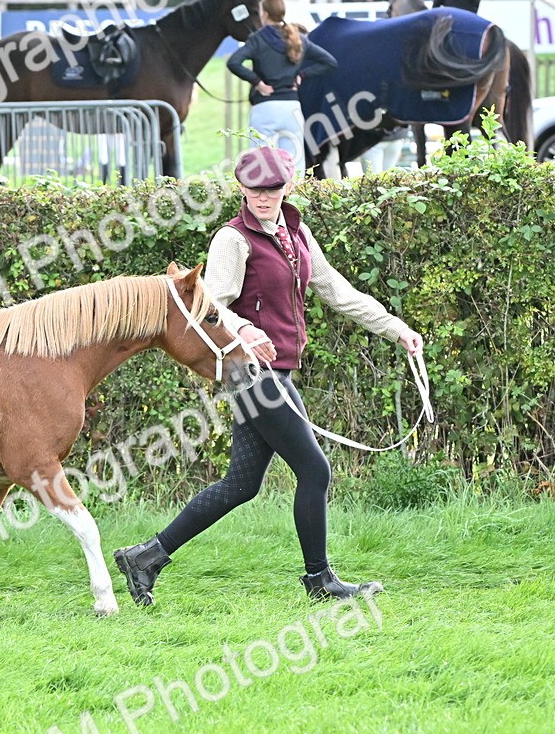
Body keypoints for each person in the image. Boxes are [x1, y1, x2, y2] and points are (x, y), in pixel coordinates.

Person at [113, 146, 424, 605]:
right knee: (315, 470)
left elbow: (337, 290)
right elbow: (212, 305)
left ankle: (146, 557)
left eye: (273, 188)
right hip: (251, 373)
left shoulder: (296, 232)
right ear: (241, 187)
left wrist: (396, 329)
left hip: (276, 373)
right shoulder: (232, 239)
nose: (263, 196)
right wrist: (244, 328)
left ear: (288, 186)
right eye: (255, 189)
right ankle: (320, 580)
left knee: (241, 485)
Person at [226, 0, 338, 179]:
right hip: (292, 108)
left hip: (265, 109)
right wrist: (302, 75)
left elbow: (234, 62)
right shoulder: (296, 38)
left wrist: (257, 83)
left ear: (264, 13)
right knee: (294, 167)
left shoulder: (257, 39)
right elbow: (329, 62)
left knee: (261, 167)